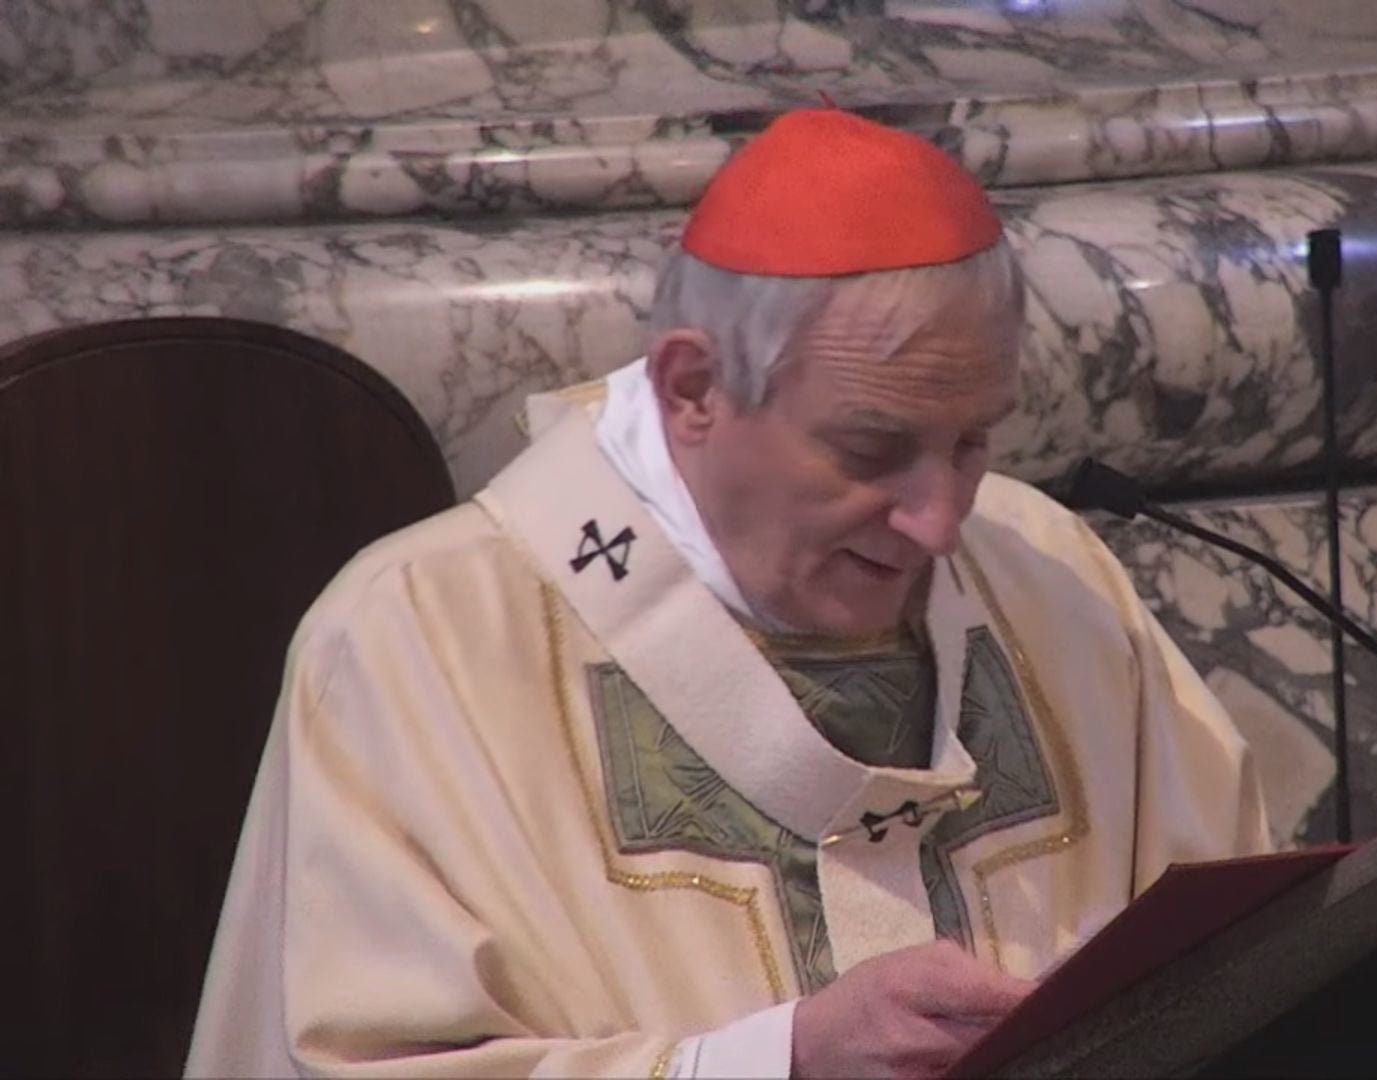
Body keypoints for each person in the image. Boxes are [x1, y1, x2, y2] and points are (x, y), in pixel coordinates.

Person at [187, 108, 1274, 1079]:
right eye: (872, 447)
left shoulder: (1049, 575)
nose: (939, 521)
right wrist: (776, 1063)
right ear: (693, 388)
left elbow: (1256, 964)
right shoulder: (417, 640)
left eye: (973, 440)